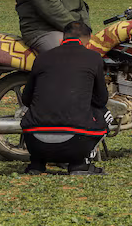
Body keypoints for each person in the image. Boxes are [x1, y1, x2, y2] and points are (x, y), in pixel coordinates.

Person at [20, 21, 111, 175]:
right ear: (87, 39)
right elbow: (101, 100)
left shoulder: (42, 58)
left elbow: (26, 99)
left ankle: (37, 164)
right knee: (105, 113)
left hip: (35, 142)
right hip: (75, 143)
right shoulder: (94, 58)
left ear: (64, 37)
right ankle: (80, 164)